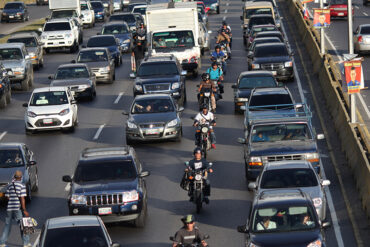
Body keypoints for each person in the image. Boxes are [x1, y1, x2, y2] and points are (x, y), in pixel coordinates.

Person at [0, 170, 30, 247]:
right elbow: (22, 198)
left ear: (14, 177)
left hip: (9, 208)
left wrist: (11, 199)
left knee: (7, 226)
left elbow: (7, 196)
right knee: (23, 225)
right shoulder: (22, 186)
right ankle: (26, 243)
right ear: (20, 177)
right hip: (17, 208)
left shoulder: (10, 185)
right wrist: (24, 210)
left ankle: (2, 243)